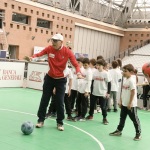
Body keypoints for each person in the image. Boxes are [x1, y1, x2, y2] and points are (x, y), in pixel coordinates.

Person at [30, 33, 82, 131]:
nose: (53, 42)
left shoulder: (68, 52)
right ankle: (41, 120)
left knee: (59, 102)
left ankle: (60, 122)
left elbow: (76, 65)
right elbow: (39, 55)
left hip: (61, 81)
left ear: (61, 42)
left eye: (55, 41)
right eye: (52, 40)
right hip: (49, 78)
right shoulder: (49, 49)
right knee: (44, 100)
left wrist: (78, 73)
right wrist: (32, 57)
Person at [109, 64, 141, 141]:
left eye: (125, 71)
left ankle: (138, 134)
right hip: (124, 103)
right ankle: (119, 131)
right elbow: (123, 91)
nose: (123, 72)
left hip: (131, 105)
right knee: (122, 118)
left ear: (131, 72)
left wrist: (130, 103)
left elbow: (133, 92)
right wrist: (120, 100)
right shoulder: (125, 79)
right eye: (123, 71)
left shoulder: (131, 80)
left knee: (135, 119)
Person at [86, 59, 111, 125]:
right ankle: (90, 115)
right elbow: (92, 81)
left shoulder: (106, 73)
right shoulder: (94, 72)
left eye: (99, 65)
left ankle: (104, 118)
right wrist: (90, 90)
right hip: (94, 92)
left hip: (102, 92)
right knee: (92, 105)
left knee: (103, 107)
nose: (98, 66)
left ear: (102, 66)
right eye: (97, 65)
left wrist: (108, 92)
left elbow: (109, 83)